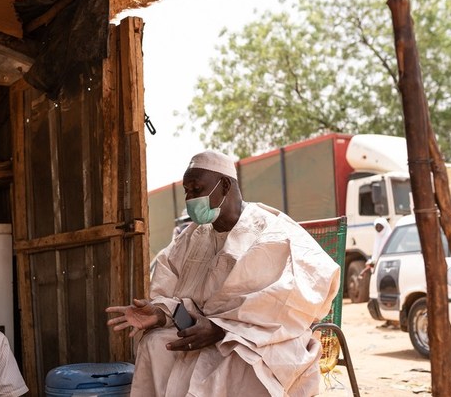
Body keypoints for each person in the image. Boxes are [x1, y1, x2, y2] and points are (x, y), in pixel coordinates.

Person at [106, 150, 340, 396]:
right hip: (202, 331)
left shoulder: (273, 231)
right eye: (187, 191)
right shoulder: (192, 236)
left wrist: (221, 329)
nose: (189, 198)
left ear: (225, 185)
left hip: (259, 339)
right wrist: (161, 312)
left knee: (233, 358)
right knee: (155, 344)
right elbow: (173, 289)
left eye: (196, 190)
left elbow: (292, 300)